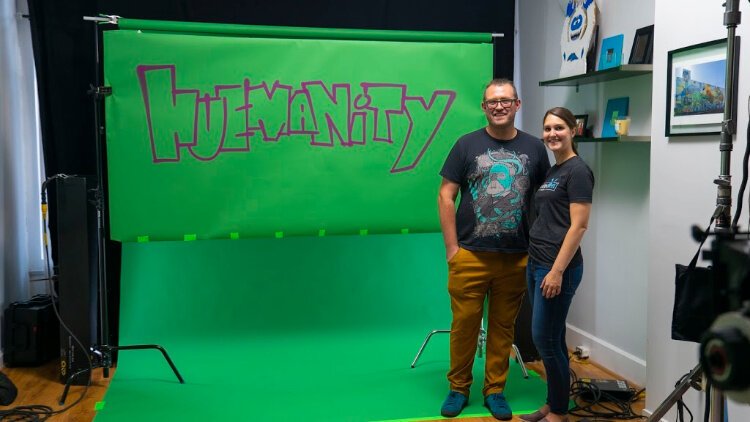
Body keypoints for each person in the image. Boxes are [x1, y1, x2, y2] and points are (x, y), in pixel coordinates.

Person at [438, 78, 551, 420]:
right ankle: (458, 388)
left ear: (517, 105)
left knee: (503, 328)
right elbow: (446, 195)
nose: (499, 106)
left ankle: (495, 390)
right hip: (470, 254)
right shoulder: (466, 145)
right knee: (464, 326)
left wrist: (537, 249)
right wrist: (451, 248)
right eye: (492, 102)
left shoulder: (534, 148)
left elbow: (543, 200)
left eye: (506, 101)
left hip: (516, 257)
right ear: (484, 107)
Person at [520, 107, 594, 422]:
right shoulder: (554, 171)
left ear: (574, 130)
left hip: (557, 268)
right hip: (537, 263)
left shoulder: (578, 171)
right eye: (548, 128)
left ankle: (559, 413)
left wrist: (556, 271)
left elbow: (578, 226)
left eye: (559, 127)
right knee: (552, 337)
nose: (552, 133)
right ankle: (554, 402)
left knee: (544, 339)